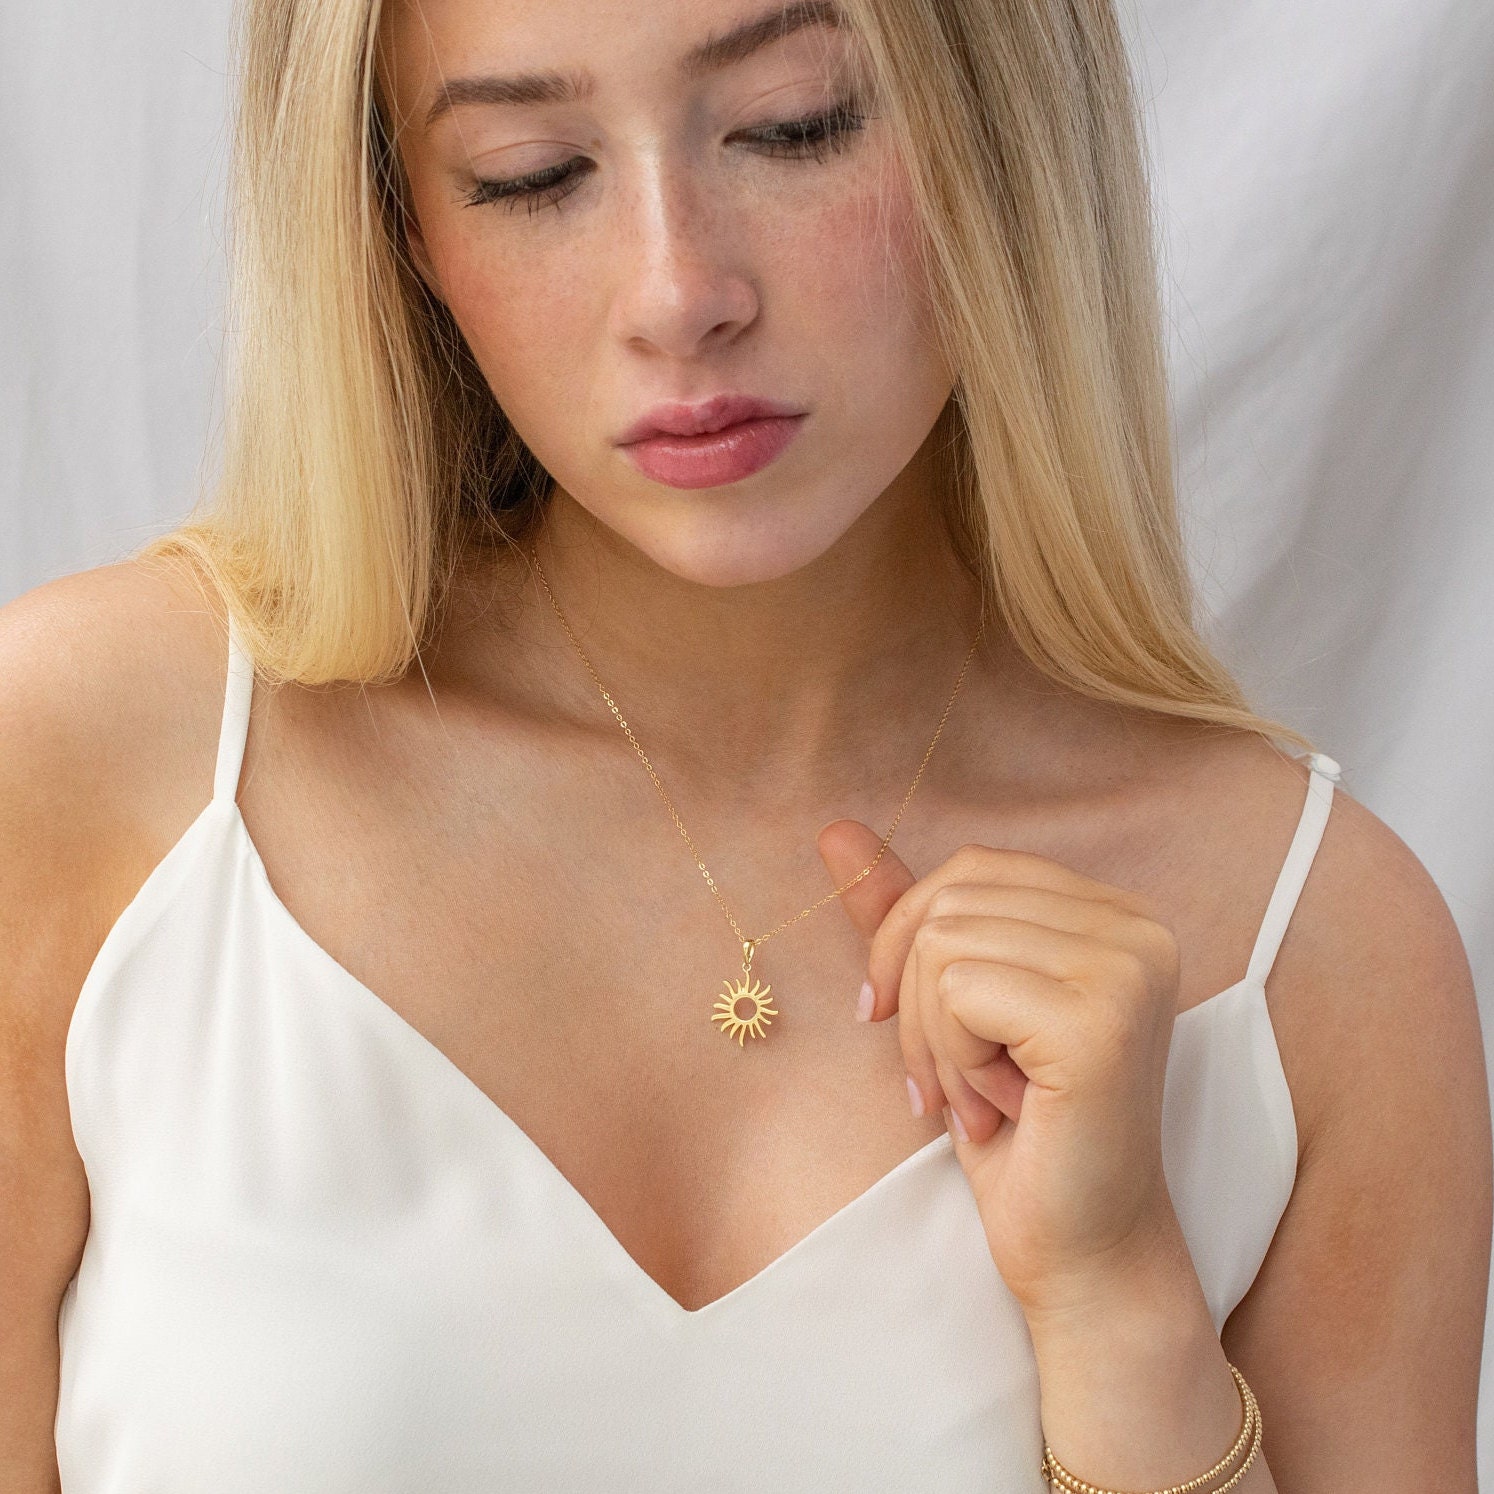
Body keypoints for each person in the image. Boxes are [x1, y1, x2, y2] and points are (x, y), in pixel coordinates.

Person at [2, 0, 1488, 1488]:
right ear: (404, 230)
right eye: (530, 173)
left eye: (794, 125)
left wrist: (1123, 1316)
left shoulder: (1318, 953)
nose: (677, 293)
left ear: (1004, 128)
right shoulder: (98, 760)